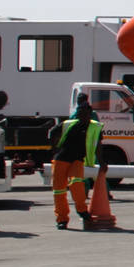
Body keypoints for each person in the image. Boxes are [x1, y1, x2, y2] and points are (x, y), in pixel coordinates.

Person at [51, 98, 104, 230]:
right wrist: (54, 148)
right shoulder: (70, 124)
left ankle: (82, 211)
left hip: (77, 160)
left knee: (76, 183)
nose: (82, 116)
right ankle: (62, 219)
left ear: (89, 114)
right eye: (80, 114)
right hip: (61, 159)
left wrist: (102, 162)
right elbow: (52, 132)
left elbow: (98, 146)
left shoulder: (95, 127)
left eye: (84, 114)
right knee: (59, 191)